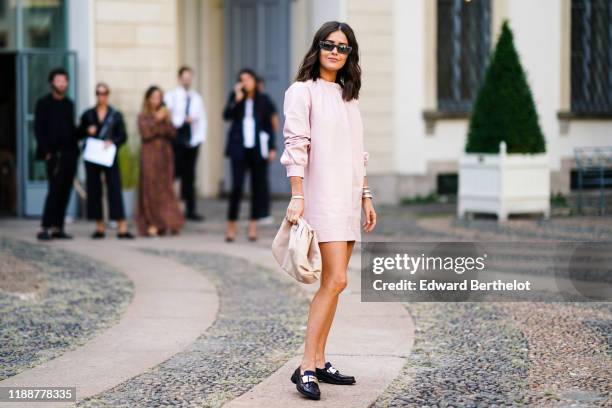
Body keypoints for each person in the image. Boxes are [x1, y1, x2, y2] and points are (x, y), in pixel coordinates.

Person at [280, 21, 377, 400]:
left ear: (350, 54)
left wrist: (366, 195)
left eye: (343, 47)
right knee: (335, 281)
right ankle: (306, 365)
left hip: (348, 197)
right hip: (321, 197)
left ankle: (319, 361)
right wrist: (297, 194)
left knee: (335, 283)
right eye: (329, 44)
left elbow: (359, 154)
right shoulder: (301, 92)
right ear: (317, 48)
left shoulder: (349, 96)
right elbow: (296, 144)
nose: (336, 52)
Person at [222, 68, 277, 242]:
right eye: (242, 79)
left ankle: (252, 227)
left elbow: (269, 126)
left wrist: (272, 147)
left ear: (254, 81)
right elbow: (226, 116)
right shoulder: (236, 97)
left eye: (248, 79)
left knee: (257, 189)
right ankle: (231, 226)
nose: (245, 82)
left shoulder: (263, 100)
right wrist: (237, 99)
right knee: (236, 188)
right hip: (238, 148)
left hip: (257, 150)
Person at [78, 82, 134, 239]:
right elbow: (78, 132)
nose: (101, 96)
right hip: (93, 156)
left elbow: (123, 136)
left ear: (108, 95)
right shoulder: (88, 114)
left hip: (109, 156)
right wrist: (87, 130)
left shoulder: (115, 115)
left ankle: (121, 226)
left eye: (104, 93)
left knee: (114, 188)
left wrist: (113, 142)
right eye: (98, 93)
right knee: (94, 189)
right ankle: (99, 226)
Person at [34, 68, 79, 241]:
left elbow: (72, 131)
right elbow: (38, 129)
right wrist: (46, 152)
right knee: (54, 190)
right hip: (53, 155)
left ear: (67, 83)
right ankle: (45, 227)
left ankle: (58, 227)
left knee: (65, 191)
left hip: (69, 154)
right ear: (52, 83)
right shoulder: (43, 103)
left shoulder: (69, 104)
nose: (61, 83)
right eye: (58, 80)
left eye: (64, 81)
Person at [135, 86, 184, 237]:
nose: (157, 100)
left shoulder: (166, 115)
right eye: (154, 97)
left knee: (166, 188)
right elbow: (146, 133)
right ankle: (151, 223)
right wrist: (157, 120)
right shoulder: (143, 116)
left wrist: (166, 120)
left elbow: (172, 133)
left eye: (159, 97)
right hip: (149, 155)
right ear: (148, 99)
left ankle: (169, 222)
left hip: (165, 155)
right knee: (150, 188)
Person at [164, 65, 207, 221]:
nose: (187, 79)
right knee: (174, 174)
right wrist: (180, 121)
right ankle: (171, 208)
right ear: (179, 78)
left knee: (190, 177)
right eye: (184, 77)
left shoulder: (196, 97)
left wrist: (199, 139)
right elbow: (167, 115)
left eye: (189, 77)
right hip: (177, 138)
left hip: (192, 140)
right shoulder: (172, 96)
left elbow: (201, 119)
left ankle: (190, 210)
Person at [256, 77, 280, 224]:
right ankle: (257, 212)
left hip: (263, 144)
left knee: (262, 180)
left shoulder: (265, 100)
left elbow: (274, 122)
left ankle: (263, 212)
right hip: (250, 146)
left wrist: (272, 146)